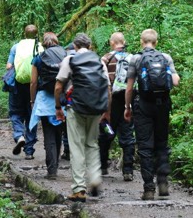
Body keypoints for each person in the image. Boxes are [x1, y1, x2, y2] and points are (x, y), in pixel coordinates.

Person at [124, 29, 180, 200]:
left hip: (143, 106)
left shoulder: (136, 58)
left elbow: (130, 87)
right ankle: (163, 182)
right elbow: (176, 82)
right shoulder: (166, 57)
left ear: (142, 41)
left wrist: (127, 107)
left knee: (145, 146)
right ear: (156, 42)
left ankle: (149, 189)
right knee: (162, 143)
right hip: (163, 105)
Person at [54, 33, 111, 202]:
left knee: (77, 146)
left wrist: (58, 107)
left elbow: (58, 86)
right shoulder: (99, 61)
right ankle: (94, 178)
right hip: (96, 109)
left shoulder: (70, 60)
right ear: (90, 46)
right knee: (92, 144)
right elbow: (108, 88)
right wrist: (106, 111)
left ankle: (79, 188)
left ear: (75, 46)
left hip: (75, 108)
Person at [29, 32, 66, 179]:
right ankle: (55, 165)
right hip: (63, 100)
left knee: (49, 135)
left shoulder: (38, 59)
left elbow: (33, 82)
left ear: (44, 43)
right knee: (59, 134)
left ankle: (52, 171)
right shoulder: (66, 55)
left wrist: (32, 101)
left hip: (45, 101)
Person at [99, 32, 136, 181]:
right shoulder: (132, 58)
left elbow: (103, 84)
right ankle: (128, 170)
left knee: (106, 132)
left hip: (111, 102)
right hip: (128, 101)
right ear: (123, 42)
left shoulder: (105, 59)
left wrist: (104, 108)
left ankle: (102, 166)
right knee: (127, 135)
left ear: (111, 42)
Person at [6, 25, 43, 160]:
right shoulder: (40, 47)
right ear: (36, 34)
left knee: (15, 112)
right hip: (35, 86)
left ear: (24, 34)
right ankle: (29, 151)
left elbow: (9, 66)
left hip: (18, 85)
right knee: (31, 115)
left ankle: (19, 135)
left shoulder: (16, 47)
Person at [60, 42, 76, 161]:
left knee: (66, 127)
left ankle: (67, 151)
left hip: (69, 97)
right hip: (85, 99)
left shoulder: (65, 60)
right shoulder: (87, 60)